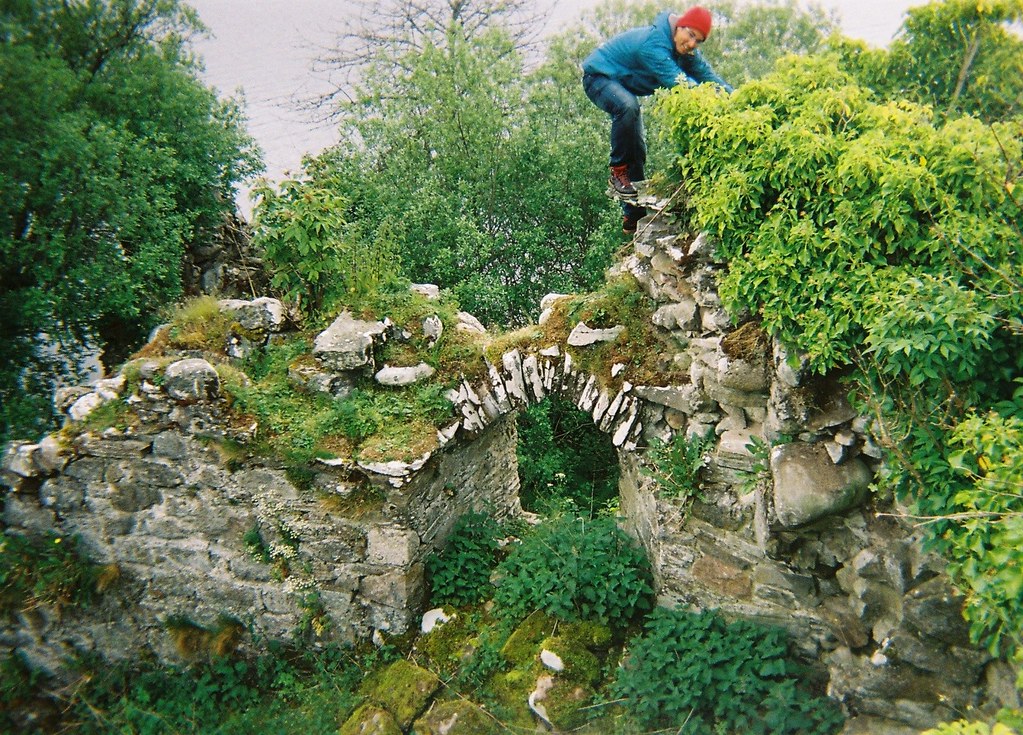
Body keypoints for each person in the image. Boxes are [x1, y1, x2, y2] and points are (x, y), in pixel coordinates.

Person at [582, 7, 733, 234]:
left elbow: (710, 78)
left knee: (637, 145)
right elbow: (680, 84)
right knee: (627, 107)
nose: (692, 44)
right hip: (598, 77)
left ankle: (633, 216)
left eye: (698, 41)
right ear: (678, 27)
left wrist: (738, 99)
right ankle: (618, 173)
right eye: (690, 35)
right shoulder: (653, 46)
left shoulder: (685, 53)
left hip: (621, 85)